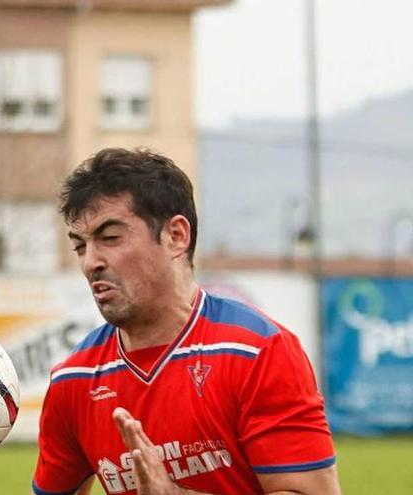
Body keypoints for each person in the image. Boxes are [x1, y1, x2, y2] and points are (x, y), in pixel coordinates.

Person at [32, 148, 340, 495]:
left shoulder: (257, 352)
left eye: (110, 238)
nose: (91, 262)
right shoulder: (74, 379)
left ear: (176, 236)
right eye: (79, 246)